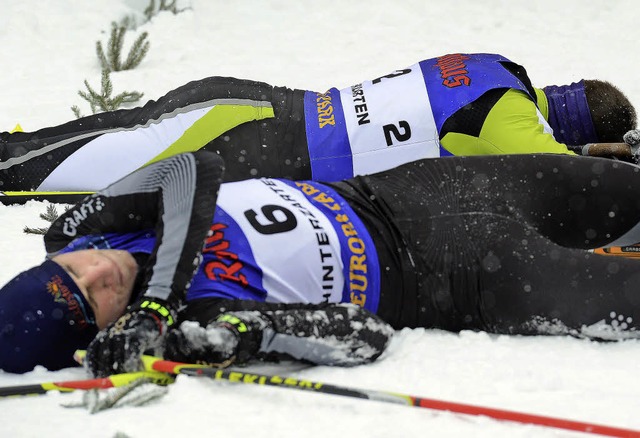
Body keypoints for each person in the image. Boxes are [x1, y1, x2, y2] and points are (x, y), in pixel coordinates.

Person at [2, 150, 640, 376]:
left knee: (625, 184)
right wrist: (237, 335)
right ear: (98, 331)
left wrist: (152, 301)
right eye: (89, 297)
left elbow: (194, 170)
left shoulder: (79, 228)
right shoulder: (197, 320)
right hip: (466, 279)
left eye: (74, 268)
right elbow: (363, 337)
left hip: (426, 189)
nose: (97, 272)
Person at [1, 53, 636, 202]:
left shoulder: (494, 67)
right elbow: (559, 178)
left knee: (44, 151)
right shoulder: (509, 118)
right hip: (247, 139)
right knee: (36, 175)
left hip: (252, 108)